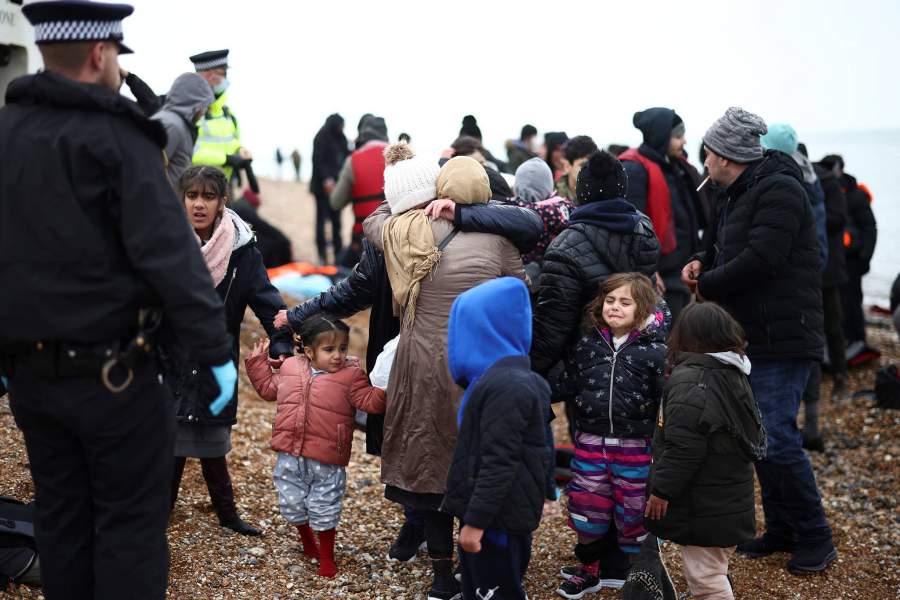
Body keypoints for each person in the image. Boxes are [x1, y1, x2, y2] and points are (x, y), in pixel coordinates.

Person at [0, 3, 236, 598]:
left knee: (61, 518)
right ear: (100, 54)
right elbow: (171, 258)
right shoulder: (119, 137)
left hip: (29, 375)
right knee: (130, 526)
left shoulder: (5, 136)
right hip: (115, 379)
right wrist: (213, 350)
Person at [363, 149, 526, 600]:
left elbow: (372, 222)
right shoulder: (499, 241)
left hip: (420, 363)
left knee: (428, 463)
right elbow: (520, 292)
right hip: (479, 365)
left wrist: (404, 190)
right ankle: (478, 570)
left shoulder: (405, 229)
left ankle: (440, 577)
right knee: (474, 459)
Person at [682, 107, 835, 573]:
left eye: (707, 152)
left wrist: (709, 283)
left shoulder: (781, 190)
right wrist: (699, 262)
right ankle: (783, 529)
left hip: (787, 334)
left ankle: (815, 535)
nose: (703, 160)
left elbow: (763, 258)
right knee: (756, 435)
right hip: (751, 334)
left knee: (777, 437)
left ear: (726, 155)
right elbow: (722, 246)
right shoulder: (735, 191)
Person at [168, 166, 293, 536]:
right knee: (170, 438)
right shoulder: (166, 241)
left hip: (216, 360)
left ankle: (227, 516)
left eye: (208, 196)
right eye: (192, 196)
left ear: (222, 201)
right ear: (183, 199)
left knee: (212, 439)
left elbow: (267, 300)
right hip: (170, 355)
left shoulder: (242, 249)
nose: (199, 204)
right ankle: (159, 510)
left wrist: (282, 341)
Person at [553, 273, 668, 598]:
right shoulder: (588, 344)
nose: (615, 307)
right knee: (586, 506)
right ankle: (589, 569)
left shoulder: (655, 352)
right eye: (611, 300)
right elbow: (569, 381)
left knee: (634, 510)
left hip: (636, 447)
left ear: (643, 309)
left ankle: (639, 573)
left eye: (625, 302)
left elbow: (665, 402)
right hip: (590, 441)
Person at [245, 315, 386, 578]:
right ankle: (308, 541)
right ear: (309, 351)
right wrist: (257, 364)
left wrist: (387, 385)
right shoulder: (289, 368)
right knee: (292, 503)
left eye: (343, 348)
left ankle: (326, 555)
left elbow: (371, 403)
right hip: (290, 453)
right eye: (329, 349)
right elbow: (267, 389)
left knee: (325, 505)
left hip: (327, 458)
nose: (338, 356)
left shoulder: (351, 375)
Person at [644, 302, 766, 600]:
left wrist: (661, 490)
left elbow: (684, 448)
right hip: (725, 497)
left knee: (706, 576)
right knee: (711, 567)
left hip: (707, 503)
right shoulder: (732, 371)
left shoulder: (692, 380)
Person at [442, 277, 551, 600]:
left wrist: (476, 522)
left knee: (496, 588)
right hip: (498, 512)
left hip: (496, 521)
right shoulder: (509, 378)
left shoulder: (506, 387)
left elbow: (499, 461)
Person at [531, 150, 660, 376]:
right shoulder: (645, 230)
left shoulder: (564, 247)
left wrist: (530, 368)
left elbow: (554, 326)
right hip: (640, 359)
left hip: (588, 367)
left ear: (581, 192)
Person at [619, 108, 704, 321]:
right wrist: (648, 270)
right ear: (661, 137)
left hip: (682, 268)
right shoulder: (635, 169)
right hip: (663, 275)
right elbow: (631, 225)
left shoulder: (675, 167)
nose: (683, 141)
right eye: (677, 136)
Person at [819, 154, 878, 357]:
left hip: (853, 260)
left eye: (831, 168)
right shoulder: (825, 191)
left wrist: (865, 258)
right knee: (834, 303)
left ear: (840, 170)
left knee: (852, 301)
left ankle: (858, 339)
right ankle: (839, 341)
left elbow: (870, 227)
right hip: (834, 259)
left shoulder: (856, 195)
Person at [330, 115, 389, 268]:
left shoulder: (354, 160)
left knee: (339, 264)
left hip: (364, 243)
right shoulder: (401, 158)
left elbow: (335, 203)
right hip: (397, 240)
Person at [190, 49, 252, 183]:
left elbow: (228, 140)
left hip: (222, 187)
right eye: (223, 73)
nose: (226, 79)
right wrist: (227, 159)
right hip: (195, 190)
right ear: (208, 75)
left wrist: (239, 149)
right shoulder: (190, 111)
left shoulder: (226, 113)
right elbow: (189, 152)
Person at [511, 157, 575, 280]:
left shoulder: (508, 213)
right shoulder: (562, 212)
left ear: (517, 185)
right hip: (553, 279)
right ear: (548, 185)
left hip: (517, 278)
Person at [151, 72, 214, 185]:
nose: (203, 112)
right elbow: (149, 169)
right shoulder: (171, 126)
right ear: (192, 103)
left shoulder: (180, 124)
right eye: (202, 106)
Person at [311, 113, 349, 264]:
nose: (342, 128)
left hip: (337, 188)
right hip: (321, 189)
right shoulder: (321, 137)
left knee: (336, 222)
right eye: (340, 126)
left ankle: (338, 255)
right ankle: (322, 255)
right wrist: (327, 180)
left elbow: (346, 157)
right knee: (321, 222)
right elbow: (318, 161)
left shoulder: (341, 138)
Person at [556, 135, 599, 202]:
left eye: (593, 164)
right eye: (584, 165)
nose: (590, 170)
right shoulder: (553, 197)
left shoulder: (602, 193)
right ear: (567, 166)